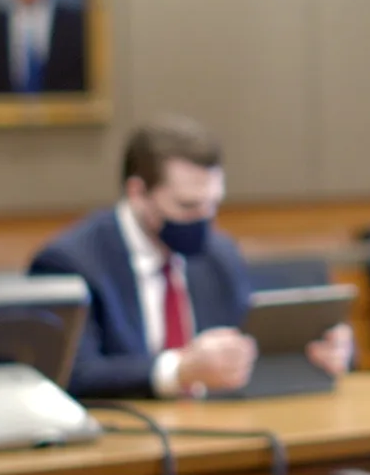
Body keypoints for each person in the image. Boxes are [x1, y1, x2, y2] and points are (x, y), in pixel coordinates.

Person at [29, 116, 352, 399]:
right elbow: (72, 376)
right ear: (137, 193)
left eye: (212, 204)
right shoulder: (71, 263)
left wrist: (313, 355)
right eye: (187, 206)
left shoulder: (219, 253)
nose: (204, 219)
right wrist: (179, 370)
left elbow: (244, 352)